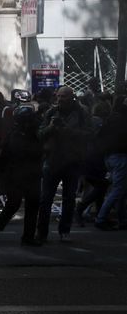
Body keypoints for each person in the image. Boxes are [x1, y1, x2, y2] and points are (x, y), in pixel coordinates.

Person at [36, 86, 92, 242]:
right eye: (59, 96)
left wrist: (68, 131)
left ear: (72, 97)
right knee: (46, 199)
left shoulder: (81, 113)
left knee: (69, 199)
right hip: (52, 161)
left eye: (64, 97)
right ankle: (41, 233)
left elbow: (89, 135)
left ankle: (64, 231)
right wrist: (51, 127)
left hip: (72, 162)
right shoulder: (51, 113)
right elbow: (40, 135)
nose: (60, 99)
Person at [0, 105, 43, 245]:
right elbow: (3, 158)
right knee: (13, 205)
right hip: (17, 176)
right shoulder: (14, 135)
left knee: (31, 206)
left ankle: (28, 237)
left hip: (32, 175)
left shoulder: (36, 132)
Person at [93, 97, 127, 230]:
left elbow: (99, 137)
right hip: (120, 157)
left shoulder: (110, 119)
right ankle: (101, 218)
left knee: (120, 190)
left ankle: (122, 219)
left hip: (109, 157)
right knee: (118, 190)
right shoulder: (123, 120)